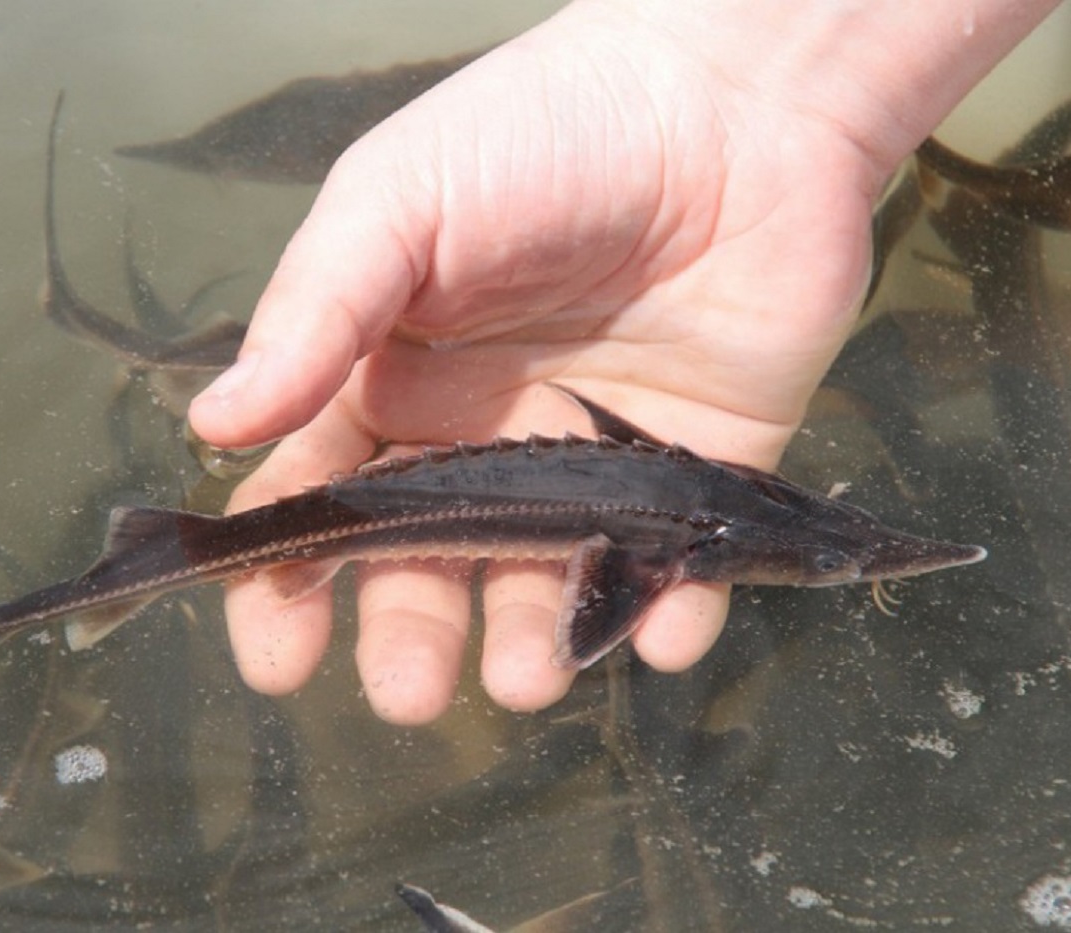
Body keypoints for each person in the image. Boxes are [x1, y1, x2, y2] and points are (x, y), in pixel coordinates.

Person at [187, 0, 1061, 725]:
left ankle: (167, 554)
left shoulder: (686, 491)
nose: (855, 559)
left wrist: (775, 88)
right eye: (833, 559)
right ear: (697, 550)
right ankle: (163, 555)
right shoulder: (660, 552)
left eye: (837, 556)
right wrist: (744, 82)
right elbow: (593, 613)